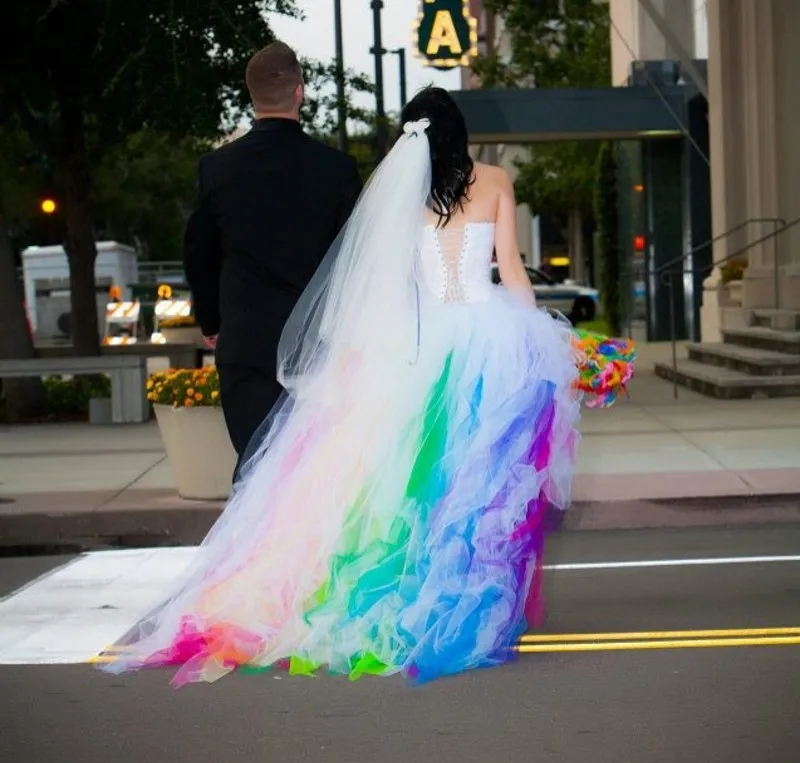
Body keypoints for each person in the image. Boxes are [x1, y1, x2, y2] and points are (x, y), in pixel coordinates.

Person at [103, 87, 634, 687]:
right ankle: (465, 596)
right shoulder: (495, 181)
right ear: (460, 133)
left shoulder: (396, 193)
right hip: (487, 337)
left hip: (420, 343)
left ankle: (406, 592)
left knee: (407, 479)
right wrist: (547, 340)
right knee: (473, 481)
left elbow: (387, 283)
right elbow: (512, 272)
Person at [183, 42, 362, 475]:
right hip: (318, 344)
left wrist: (211, 321)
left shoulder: (218, 168)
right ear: (300, 91)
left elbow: (198, 250)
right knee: (314, 475)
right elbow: (355, 257)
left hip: (247, 341)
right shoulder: (336, 169)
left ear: (252, 96)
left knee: (256, 468)